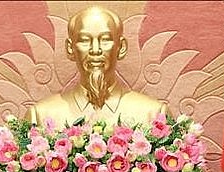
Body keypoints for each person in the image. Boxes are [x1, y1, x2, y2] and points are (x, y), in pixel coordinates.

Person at [26, 5, 168, 128]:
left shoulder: (155, 115)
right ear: (70, 48)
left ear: (121, 47)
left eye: (105, 40)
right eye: (85, 40)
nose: (95, 50)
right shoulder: (39, 116)